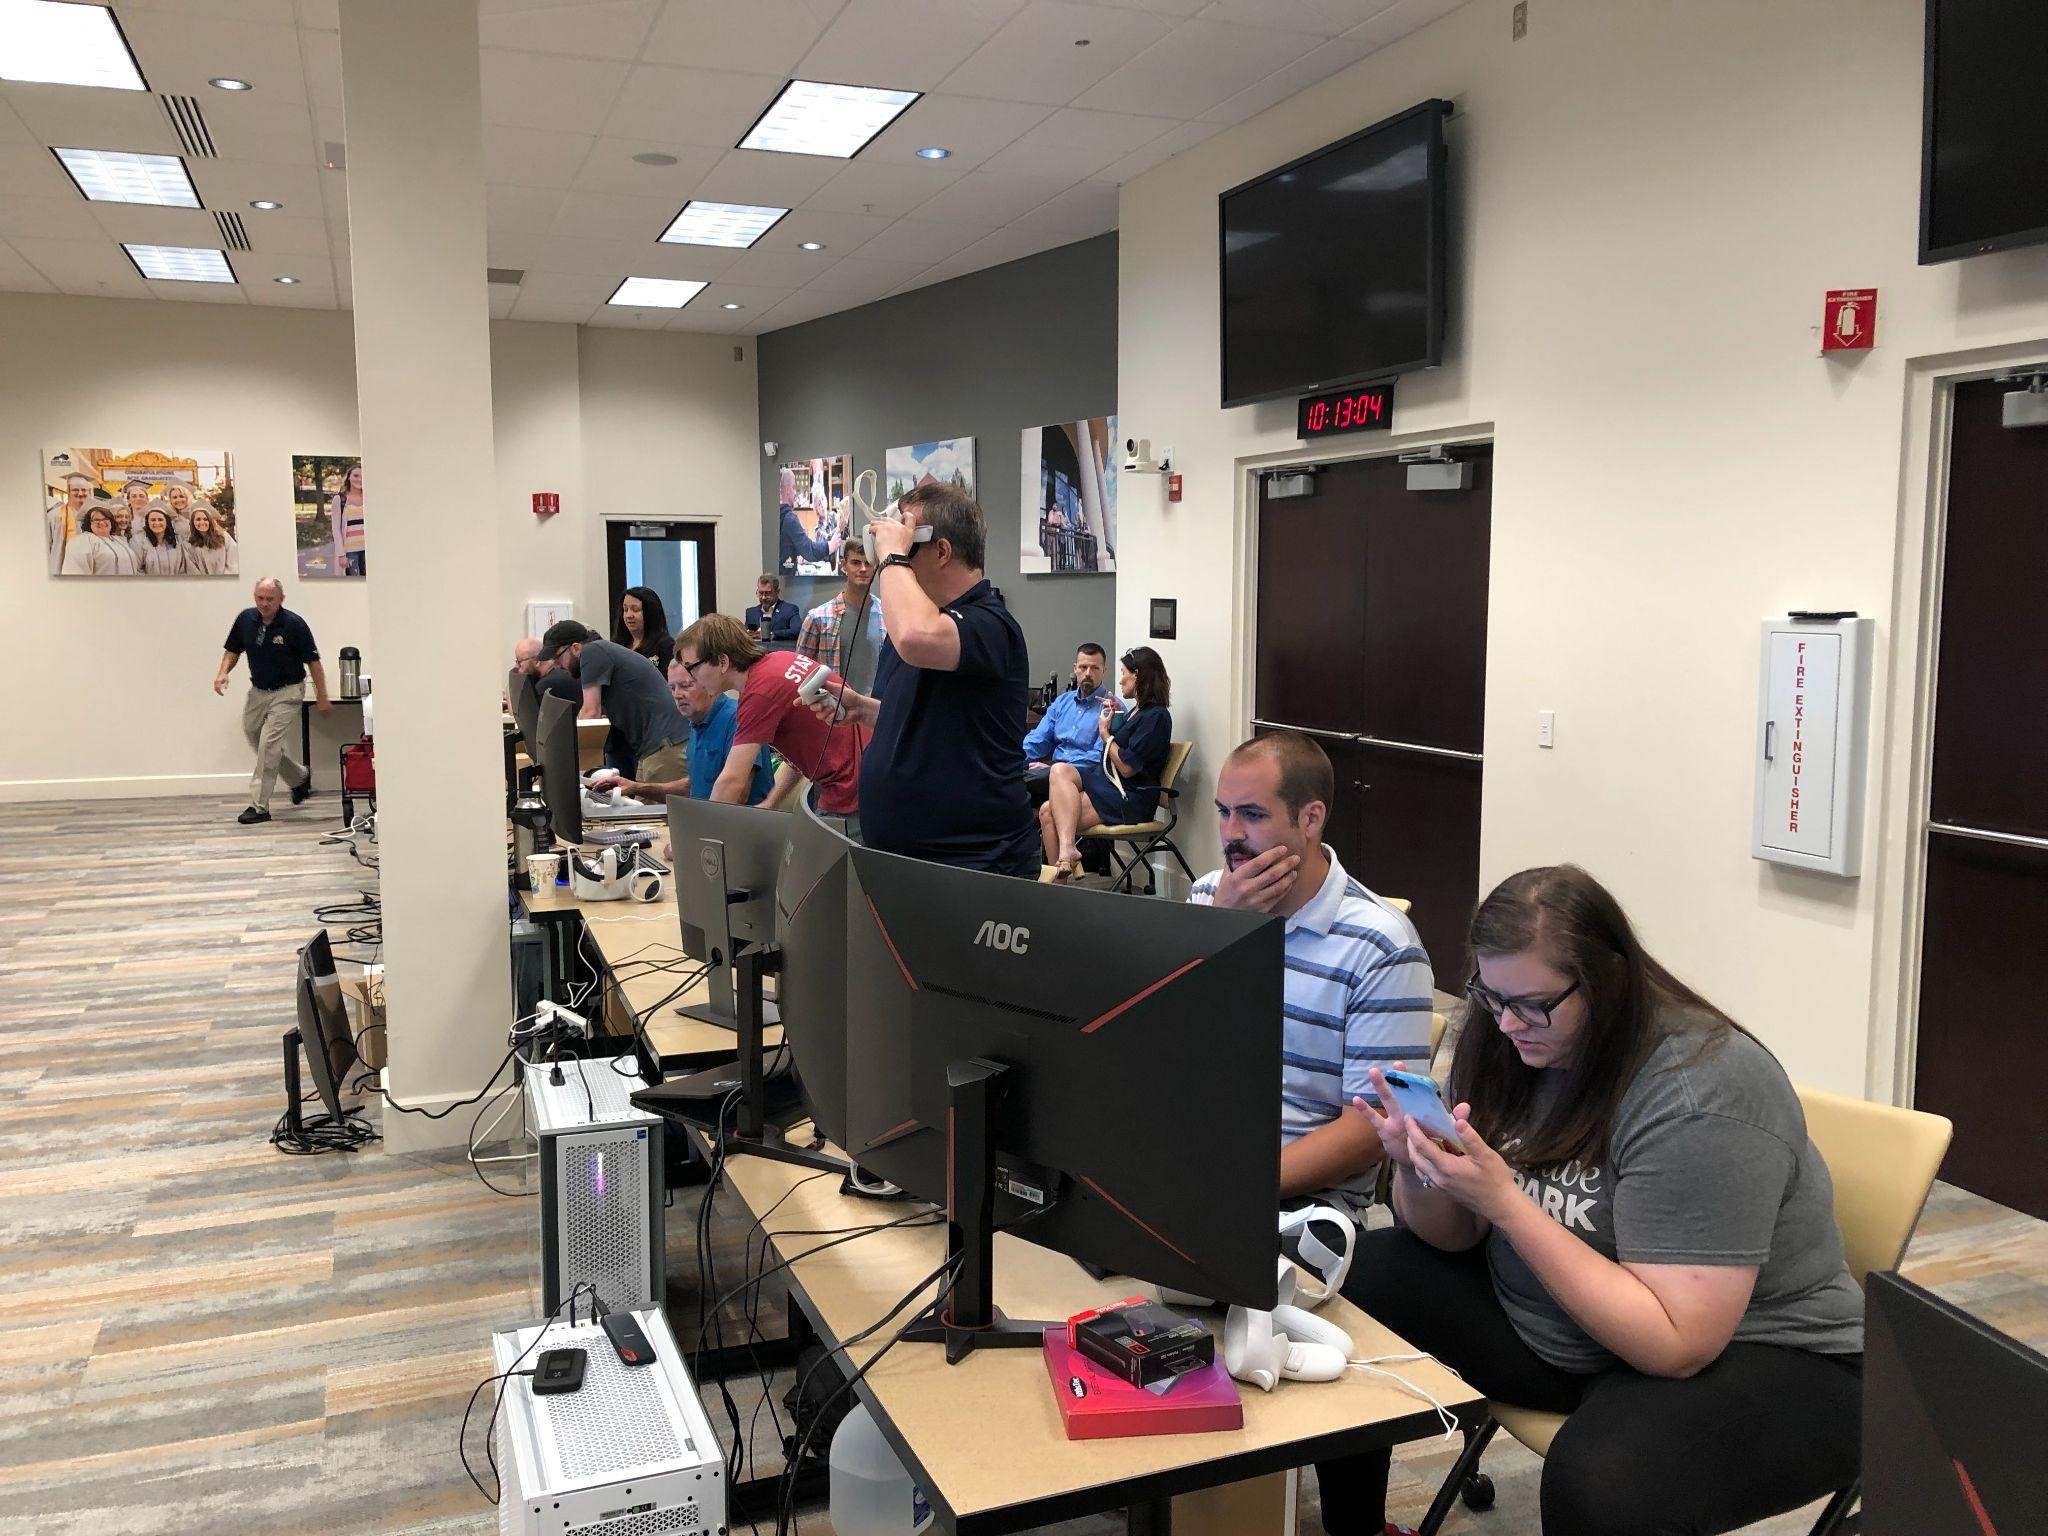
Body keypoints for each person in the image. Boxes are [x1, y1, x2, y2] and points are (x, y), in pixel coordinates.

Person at [1317, 865, 1865, 1536]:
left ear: (1609, 979)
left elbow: (1676, 1345)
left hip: (1760, 1353)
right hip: (1568, 1328)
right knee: (1354, 1276)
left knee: (1601, 1481)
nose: (1510, 1023)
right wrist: (1417, 1170)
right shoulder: (1503, 1034)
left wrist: (1507, 1203)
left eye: (1535, 1004)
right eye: (1492, 997)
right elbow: (1452, 1238)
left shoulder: (1701, 1089)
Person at [1191, 731, 1434, 1210]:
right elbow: (1172, 1045)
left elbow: (1373, 1125)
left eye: (1252, 814)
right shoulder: (1209, 898)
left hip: (1298, 1199)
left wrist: (1237, 1187)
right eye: (1224, 811)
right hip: (1199, 1157)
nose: (1230, 833)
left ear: (1311, 818)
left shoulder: (1381, 946)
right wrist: (1219, 934)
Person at [812, 485, 1040, 876]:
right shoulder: (914, 626)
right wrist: (864, 709)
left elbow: (917, 638)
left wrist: (892, 556)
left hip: (973, 866)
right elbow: (929, 721)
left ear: (942, 551)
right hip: (903, 860)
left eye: (905, 542)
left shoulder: (990, 624)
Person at [677, 613, 865, 814]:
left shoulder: (758, 693)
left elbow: (732, 780)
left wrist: (697, 838)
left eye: (692, 668)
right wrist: (771, 802)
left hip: (852, 790)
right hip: (863, 773)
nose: (692, 678)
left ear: (722, 661)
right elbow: (802, 750)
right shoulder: (779, 660)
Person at [1039, 646, 1174, 880]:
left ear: (1138, 675)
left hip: (1131, 797)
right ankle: (1066, 856)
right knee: (1059, 772)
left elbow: (1128, 767)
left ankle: (1060, 880)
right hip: (1111, 788)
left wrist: (1105, 734)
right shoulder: (1136, 712)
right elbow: (1120, 747)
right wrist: (1112, 722)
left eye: (1124, 673)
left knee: (1048, 813)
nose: (1120, 680)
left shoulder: (1157, 717)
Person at [214, 577, 330, 824]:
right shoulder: (246, 619)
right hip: (258, 691)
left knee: (268, 747)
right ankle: (299, 777)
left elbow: (314, 663)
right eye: (260, 598)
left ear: (281, 600)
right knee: (254, 735)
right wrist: (223, 673)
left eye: (270, 599)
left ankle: (259, 806)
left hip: (287, 692)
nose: (264, 604)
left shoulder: (294, 625)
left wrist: (322, 696)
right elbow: (233, 650)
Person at [591, 656, 776, 808]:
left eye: (686, 686)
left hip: (743, 834)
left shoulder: (737, 718)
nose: (677, 695)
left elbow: (737, 795)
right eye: (672, 688)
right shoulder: (697, 723)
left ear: (708, 682)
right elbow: (693, 787)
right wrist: (636, 787)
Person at [536, 620, 690, 797]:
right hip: (655, 747)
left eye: (557, 657)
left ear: (576, 648)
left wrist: (564, 759)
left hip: (665, 745)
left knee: (656, 818)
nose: (556, 664)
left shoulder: (592, 652)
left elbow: (590, 712)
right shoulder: (603, 653)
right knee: (641, 810)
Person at [1021, 643, 1111, 806]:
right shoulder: (1063, 702)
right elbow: (1038, 739)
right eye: (1083, 667)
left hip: (1084, 777)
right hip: (1053, 773)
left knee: (1016, 783)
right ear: (1075, 669)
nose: (1088, 673)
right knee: (1004, 775)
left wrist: (1056, 770)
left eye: (1094, 668)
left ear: (1104, 670)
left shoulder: (1110, 708)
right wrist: (1012, 760)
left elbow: (1098, 758)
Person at [796, 543, 886, 687]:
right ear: (844, 565)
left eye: (868, 563)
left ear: (876, 566)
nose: (863, 569)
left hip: (875, 705)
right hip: (834, 705)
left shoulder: (887, 615)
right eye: (856, 563)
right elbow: (802, 672)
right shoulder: (818, 617)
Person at [776, 464, 839, 577]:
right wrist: (830, 545)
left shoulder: (772, 516)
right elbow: (809, 551)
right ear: (786, 490)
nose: (795, 493)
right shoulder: (790, 520)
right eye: (794, 487)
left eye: (823, 500)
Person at [47, 465, 95, 574]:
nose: (80, 493)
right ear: (68, 491)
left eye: (84, 490)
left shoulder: (94, 515)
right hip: (61, 567)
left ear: (88, 492)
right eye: (75, 490)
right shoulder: (54, 516)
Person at [614, 585, 674, 672]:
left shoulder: (665, 645)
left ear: (650, 613)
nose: (629, 615)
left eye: (635, 610)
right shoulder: (617, 645)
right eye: (625, 609)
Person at [60, 505, 129, 576]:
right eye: (96, 520)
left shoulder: (119, 540)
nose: (101, 522)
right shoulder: (81, 542)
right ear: (89, 523)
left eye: (105, 519)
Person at [326, 462, 365, 576]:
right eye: (356, 476)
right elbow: (336, 529)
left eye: (362, 476)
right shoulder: (339, 499)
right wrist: (341, 554)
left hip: (368, 551)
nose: (359, 479)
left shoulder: (369, 498)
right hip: (350, 552)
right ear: (349, 477)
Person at [182, 502, 238, 575]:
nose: (202, 522)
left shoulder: (224, 537)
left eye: (205, 519)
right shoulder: (189, 545)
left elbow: (233, 563)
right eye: (198, 519)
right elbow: (192, 570)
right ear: (193, 523)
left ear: (210, 521)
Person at [745, 574, 802, 645]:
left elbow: (798, 631)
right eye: (761, 593)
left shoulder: (789, 609)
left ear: (777, 592)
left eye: (767, 593)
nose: (763, 597)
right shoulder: (751, 612)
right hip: (756, 653)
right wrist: (747, 634)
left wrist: (771, 634)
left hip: (779, 652)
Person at [136, 505, 183, 575]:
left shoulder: (176, 541)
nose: (157, 523)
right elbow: (137, 570)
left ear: (167, 522)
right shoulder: (139, 541)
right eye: (153, 520)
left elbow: (182, 568)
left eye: (160, 519)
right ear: (147, 523)